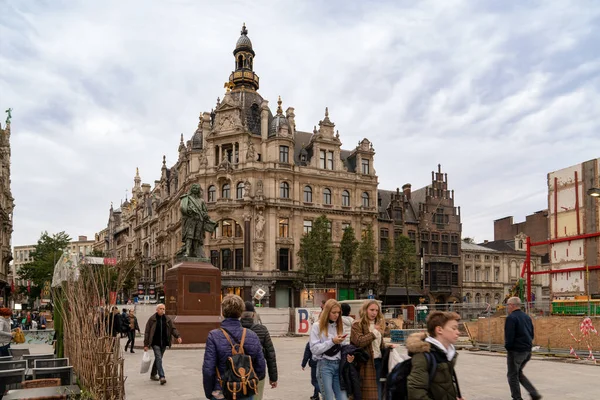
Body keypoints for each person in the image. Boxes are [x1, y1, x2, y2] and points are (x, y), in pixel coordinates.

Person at [203, 294, 266, 400]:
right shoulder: (252, 335)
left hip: (221, 391)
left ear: (222, 312)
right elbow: (261, 368)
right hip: (245, 390)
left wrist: (210, 392)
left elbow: (208, 370)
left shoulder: (213, 336)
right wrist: (246, 382)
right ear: (240, 313)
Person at [406, 311, 463, 400]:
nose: (458, 332)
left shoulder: (447, 354)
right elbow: (416, 393)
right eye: (454, 328)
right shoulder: (423, 355)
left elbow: (444, 387)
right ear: (439, 330)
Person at [350, 300, 395, 400]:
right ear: (365, 310)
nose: (374, 313)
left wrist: (387, 346)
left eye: (376, 310)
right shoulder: (357, 324)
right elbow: (359, 342)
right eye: (371, 310)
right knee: (367, 394)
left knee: (378, 391)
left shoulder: (378, 324)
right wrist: (374, 332)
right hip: (365, 363)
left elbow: (378, 344)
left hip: (378, 361)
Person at [310, 298, 352, 400]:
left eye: (338, 312)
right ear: (327, 312)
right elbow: (314, 349)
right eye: (334, 312)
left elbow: (343, 345)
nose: (336, 315)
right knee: (328, 397)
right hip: (324, 365)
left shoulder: (339, 325)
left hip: (339, 365)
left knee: (343, 397)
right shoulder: (317, 326)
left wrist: (348, 355)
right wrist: (332, 341)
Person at [505, 297, 542, 400]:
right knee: (518, 373)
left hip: (516, 351)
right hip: (527, 351)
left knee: (512, 375)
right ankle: (534, 393)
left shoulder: (511, 318)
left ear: (512, 305)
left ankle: (517, 398)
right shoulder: (526, 317)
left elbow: (509, 336)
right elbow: (532, 333)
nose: (507, 307)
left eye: (508, 305)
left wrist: (508, 348)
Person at [241, 301, 278, 399]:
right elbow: (270, 355)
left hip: (238, 373)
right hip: (257, 374)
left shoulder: (234, 329)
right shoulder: (262, 330)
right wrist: (273, 378)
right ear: (253, 315)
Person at [143, 303, 182, 385]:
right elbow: (147, 332)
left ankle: (153, 374)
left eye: (163, 309)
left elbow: (173, 329)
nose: (162, 310)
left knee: (158, 358)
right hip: (155, 342)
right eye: (160, 309)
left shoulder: (167, 319)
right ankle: (162, 376)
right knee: (159, 358)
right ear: (157, 310)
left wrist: (177, 336)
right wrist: (146, 344)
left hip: (164, 343)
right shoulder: (152, 319)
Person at [180, 183, 216, 258]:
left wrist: (205, 215)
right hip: (191, 220)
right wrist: (191, 211)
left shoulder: (201, 200)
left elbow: (205, 211)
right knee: (189, 236)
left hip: (199, 220)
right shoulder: (187, 198)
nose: (195, 190)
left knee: (197, 236)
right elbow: (183, 208)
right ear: (192, 190)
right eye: (194, 188)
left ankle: (196, 251)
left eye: (197, 188)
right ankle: (187, 251)